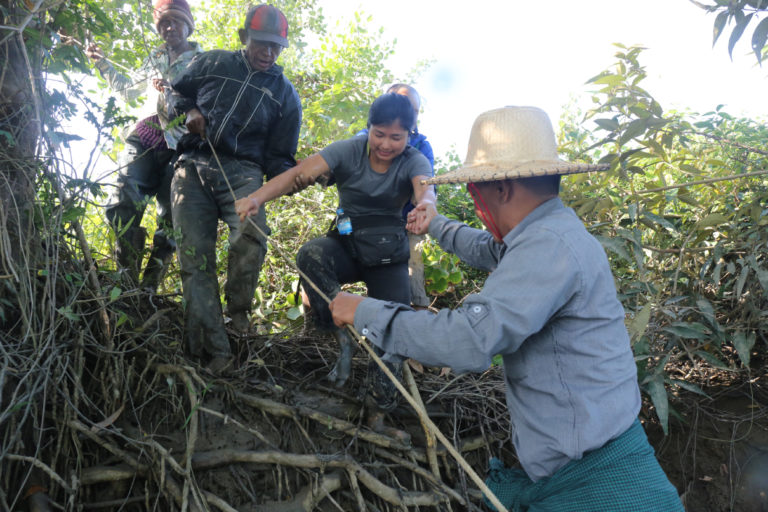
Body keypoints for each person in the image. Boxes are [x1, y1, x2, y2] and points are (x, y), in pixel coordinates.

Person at [328, 106, 685, 511]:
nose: (477, 206)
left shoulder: (549, 246)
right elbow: (490, 249)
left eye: (475, 194)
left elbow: (468, 339)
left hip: (599, 487)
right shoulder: (548, 232)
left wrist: (367, 311)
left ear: (502, 189)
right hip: (579, 469)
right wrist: (436, 225)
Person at [235, 93, 435, 433]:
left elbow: (425, 191)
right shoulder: (348, 150)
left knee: (394, 329)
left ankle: (377, 414)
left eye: (396, 137)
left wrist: (426, 207)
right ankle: (341, 331)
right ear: (369, 128)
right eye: (379, 134)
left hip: (387, 256)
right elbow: (299, 173)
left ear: (409, 135)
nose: (386, 144)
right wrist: (256, 197)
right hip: (348, 244)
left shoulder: (415, 160)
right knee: (310, 255)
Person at [167, 4, 301, 373]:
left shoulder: (285, 95)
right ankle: (212, 350)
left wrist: (300, 174)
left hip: (244, 172)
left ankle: (238, 321)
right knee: (195, 258)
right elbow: (175, 94)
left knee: (252, 233)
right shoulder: (212, 63)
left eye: (276, 47)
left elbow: (279, 158)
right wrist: (189, 111)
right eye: (261, 43)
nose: (267, 53)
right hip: (192, 166)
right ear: (245, 38)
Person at [86, 0, 204, 291]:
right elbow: (128, 92)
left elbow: (207, 104)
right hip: (144, 138)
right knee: (124, 198)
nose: (169, 27)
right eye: (163, 23)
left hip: (179, 147)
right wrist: (102, 62)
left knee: (172, 218)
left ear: (188, 25)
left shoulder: (203, 61)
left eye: (175, 21)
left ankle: (148, 288)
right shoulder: (154, 58)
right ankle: (125, 280)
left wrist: (174, 89)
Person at [358, 84, 435, 309]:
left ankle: (417, 321)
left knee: (413, 273)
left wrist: (425, 205)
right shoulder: (364, 138)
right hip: (366, 222)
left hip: (406, 224)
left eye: (413, 109)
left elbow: (425, 188)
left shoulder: (422, 147)